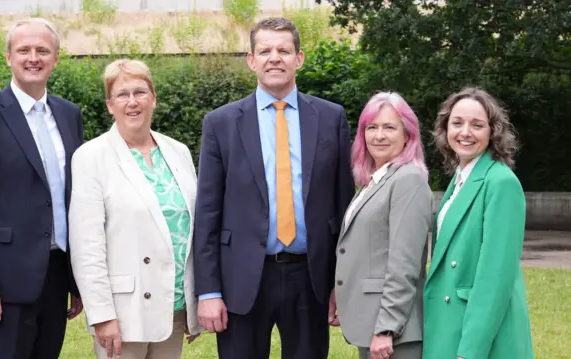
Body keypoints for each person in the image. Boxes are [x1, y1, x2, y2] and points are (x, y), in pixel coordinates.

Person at [193, 17, 355, 359]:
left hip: (310, 278)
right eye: (265, 50)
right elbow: (207, 213)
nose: (274, 57)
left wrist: (341, 283)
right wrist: (208, 291)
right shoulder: (220, 123)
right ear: (251, 60)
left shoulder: (330, 118)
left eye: (284, 50)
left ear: (300, 58)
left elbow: (344, 208)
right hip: (243, 278)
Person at [0, 18, 84, 359]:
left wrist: (76, 280)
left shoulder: (70, 116)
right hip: (4, 280)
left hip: (56, 274)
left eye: (43, 50)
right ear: (8, 57)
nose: (33, 57)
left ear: (56, 58)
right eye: (23, 49)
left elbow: (74, 198)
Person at [68, 59, 202, 359]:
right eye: (122, 94)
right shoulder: (91, 157)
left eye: (140, 92)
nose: (132, 102)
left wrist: (194, 302)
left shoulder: (178, 152)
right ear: (109, 104)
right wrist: (102, 316)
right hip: (124, 312)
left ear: (153, 98)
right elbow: (86, 246)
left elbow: (192, 231)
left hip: (174, 307)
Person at [423, 87, 535, 359]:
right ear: (445, 128)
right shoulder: (461, 178)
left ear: (493, 131)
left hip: (480, 337)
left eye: (477, 125)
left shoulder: (501, 182)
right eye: (457, 123)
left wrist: (471, 351)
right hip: (448, 324)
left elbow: (495, 278)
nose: (465, 132)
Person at [335, 92, 432, 359]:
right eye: (372, 127)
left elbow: (404, 264)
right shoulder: (375, 181)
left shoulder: (408, 180)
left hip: (394, 333)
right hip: (371, 322)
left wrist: (386, 328)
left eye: (389, 127)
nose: (379, 135)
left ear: (408, 135)